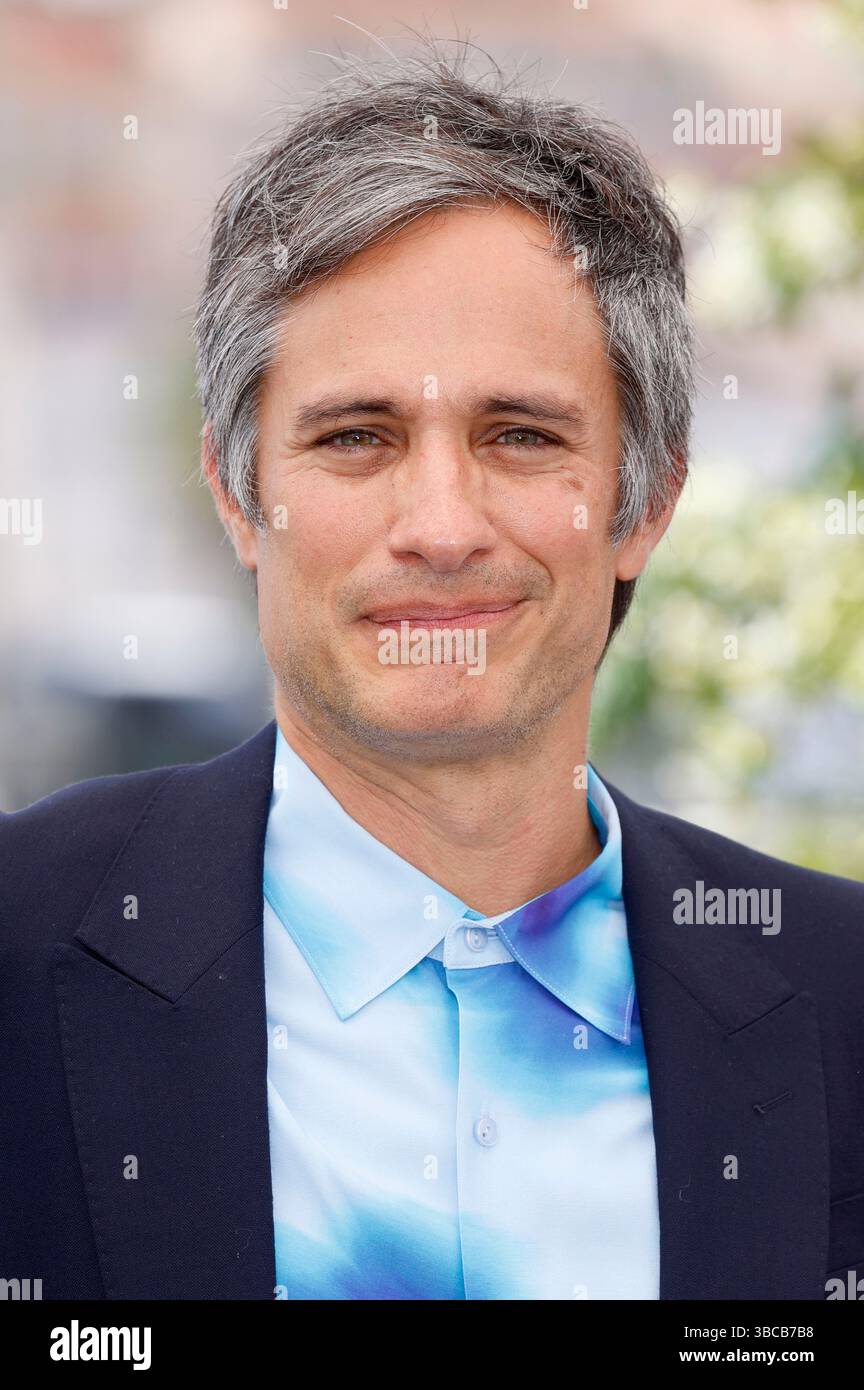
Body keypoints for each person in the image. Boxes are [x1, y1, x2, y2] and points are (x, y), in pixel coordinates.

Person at [2, 42, 863, 1302]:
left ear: (647, 501)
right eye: (358, 438)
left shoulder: (842, 996)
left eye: (521, 436)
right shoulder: (19, 955)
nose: (443, 524)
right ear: (240, 496)